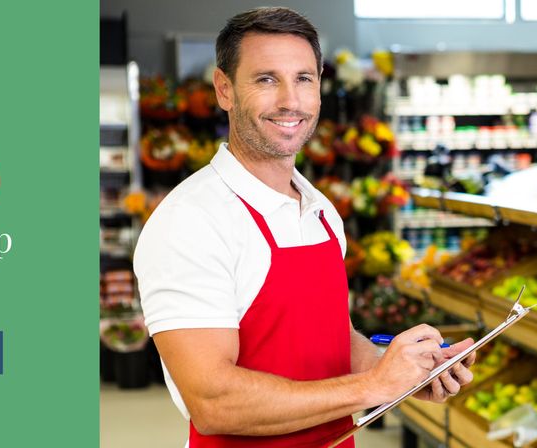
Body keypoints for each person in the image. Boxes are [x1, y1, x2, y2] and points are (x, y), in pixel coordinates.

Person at [133, 7, 477, 447]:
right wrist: (374, 387)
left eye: (304, 79)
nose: (290, 101)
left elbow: (331, 338)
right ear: (224, 89)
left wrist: (406, 370)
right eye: (265, 79)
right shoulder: (191, 220)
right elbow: (212, 401)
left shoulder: (320, 210)